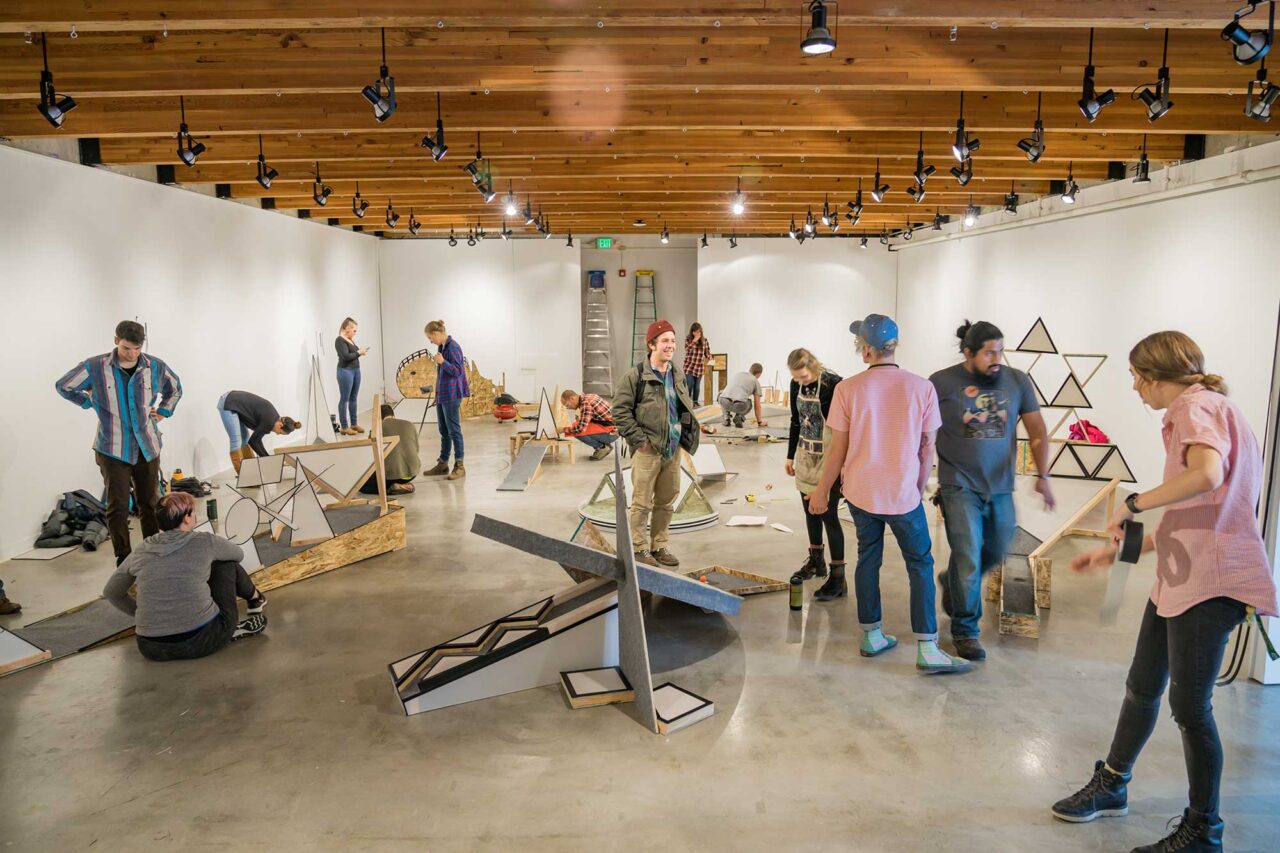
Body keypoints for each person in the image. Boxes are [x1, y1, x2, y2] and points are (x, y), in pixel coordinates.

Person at [1053, 331, 1277, 852]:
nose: (1135, 388)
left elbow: (1206, 475)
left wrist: (1134, 502)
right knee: (1143, 685)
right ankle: (1113, 783)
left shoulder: (1194, 408)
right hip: (1182, 578)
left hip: (1211, 584)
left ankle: (1204, 829)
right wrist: (1120, 552)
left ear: (1155, 376)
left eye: (1135, 377)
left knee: (1190, 707)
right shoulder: (1212, 408)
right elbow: (1196, 515)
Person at [809, 314, 969, 674]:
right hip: (901, 494)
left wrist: (822, 492)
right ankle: (927, 648)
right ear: (892, 347)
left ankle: (872, 635)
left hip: (861, 493)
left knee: (868, 558)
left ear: (866, 350)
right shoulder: (921, 388)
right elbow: (927, 449)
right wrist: (917, 485)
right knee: (920, 564)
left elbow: (836, 449)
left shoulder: (847, 390)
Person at [930, 320, 1055, 662]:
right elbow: (922, 431)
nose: (996, 358)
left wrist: (1042, 475)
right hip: (958, 486)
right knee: (968, 556)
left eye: (1000, 350)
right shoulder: (941, 382)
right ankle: (966, 631)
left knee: (998, 548)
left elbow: (1038, 430)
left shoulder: (1017, 381)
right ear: (968, 353)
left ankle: (951, 580)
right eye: (988, 352)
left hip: (1000, 487)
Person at [56, 320, 183, 566]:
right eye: (126, 348)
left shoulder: (155, 366)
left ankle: (153, 553)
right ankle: (124, 560)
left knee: (151, 503)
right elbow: (63, 385)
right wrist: (87, 402)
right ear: (116, 341)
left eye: (137, 348)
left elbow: (175, 388)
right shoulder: (95, 367)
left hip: (148, 446)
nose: (132, 354)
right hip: (112, 449)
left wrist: (164, 411)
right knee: (118, 506)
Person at [103, 492, 268, 661]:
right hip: (203, 640)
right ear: (187, 519)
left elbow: (111, 592)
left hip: (150, 647)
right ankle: (255, 600)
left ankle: (249, 604)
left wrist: (140, 613)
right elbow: (238, 555)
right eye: (193, 512)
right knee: (225, 565)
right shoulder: (205, 541)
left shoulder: (142, 549)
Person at [614, 319, 699, 567]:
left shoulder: (677, 374)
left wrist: (683, 435)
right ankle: (639, 548)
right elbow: (619, 411)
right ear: (651, 344)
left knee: (666, 500)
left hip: (672, 450)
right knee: (641, 502)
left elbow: (685, 406)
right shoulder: (636, 376)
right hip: (648, 450)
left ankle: (659, 545)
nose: (670, 346)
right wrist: (640, 441)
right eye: (664, 341)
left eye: (672, 341)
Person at [784, 348, 846, 598]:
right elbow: (796, 421)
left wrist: (842, 465)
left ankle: (838, 577)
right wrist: (789, 455)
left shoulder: (834, 384)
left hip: (829, 458)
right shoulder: (795, 384)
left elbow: (843, 430)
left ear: (814, 366)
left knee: (828, 515)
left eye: (803, 376)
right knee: (809, 509)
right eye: (796, 377)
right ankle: (816, 561)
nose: (800, 381)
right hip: (806, 455)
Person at [422, 320, 469, 481]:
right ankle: (443, 463)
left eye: (430, 337)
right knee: (444, 431)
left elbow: (457, 372)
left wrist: (443, 362)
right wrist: (437, 395)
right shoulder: (441, 347)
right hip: (443, 395)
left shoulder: (453, 347)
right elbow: (441, 375)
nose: (430, 341)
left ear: (436, 334)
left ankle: (460, 465)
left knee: (454, 430)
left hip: (452, 395)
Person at [217, 391, 300, 474]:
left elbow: (257, 440)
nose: (277, 434)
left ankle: (252, 471)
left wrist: (268, 458)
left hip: (235, 403)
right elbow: (253, 442)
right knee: (236, 440)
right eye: (280, 432)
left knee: (245, 438)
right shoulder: (269, 421)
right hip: (228, 402)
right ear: (280, 425)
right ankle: (243, 475)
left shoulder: (273, 418)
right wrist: (268, 459)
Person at [360, 404, 420, 495]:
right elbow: (416, 449)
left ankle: (394, 486)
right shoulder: (410, 424)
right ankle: (401, 484)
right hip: (412, 473)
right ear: (393, 415)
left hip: (391, 475)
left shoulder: (377, 428)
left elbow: (371, 455)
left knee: (362, 486)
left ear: (378, 418)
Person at [560, 389, 620, 461]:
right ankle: (604, 446)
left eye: (567, 405)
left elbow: (580, 429)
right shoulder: (588, 396)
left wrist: (563, 430)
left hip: (612, 433)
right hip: (613, 427)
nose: (568, 408)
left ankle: (602, 448)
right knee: (576, 425)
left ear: (572, 398)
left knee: (574, 430)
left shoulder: (585, 404)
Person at [336, 317, 370, 435]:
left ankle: (354, 424)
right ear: (347, 328)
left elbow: (353, 354)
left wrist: (360, 352)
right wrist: (358, 352)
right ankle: (344, 426)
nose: (355, 333)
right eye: (354, 330)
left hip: (355, 370)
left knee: (353, 398)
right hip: (345, 371)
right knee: (344, 399)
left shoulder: (350, 339)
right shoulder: (339, 340)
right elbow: (345, 356)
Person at [719, 363, 768, 429]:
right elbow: (757, 405)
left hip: (724, 402)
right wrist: (759, 422)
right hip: (740, 405)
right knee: (749, 403)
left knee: (721, 394)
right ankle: (739, 417)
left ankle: (726, 418)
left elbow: (727, 391)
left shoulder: (738, 374)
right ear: (759, 374)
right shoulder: (755, 381)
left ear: (750, 370)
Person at [683, 322, 712, 403]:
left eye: (699, 332)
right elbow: (687, 350)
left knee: (697, 387)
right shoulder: (688, 339)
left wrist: (710, 358)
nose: (697, 333)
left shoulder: (704, 340)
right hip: (689, 367)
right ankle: (687, 402)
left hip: (699, 368)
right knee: (690, 385)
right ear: (692, 332)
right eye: (695, 332)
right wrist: (694, 341)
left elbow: (707, 353)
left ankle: (695, 402)